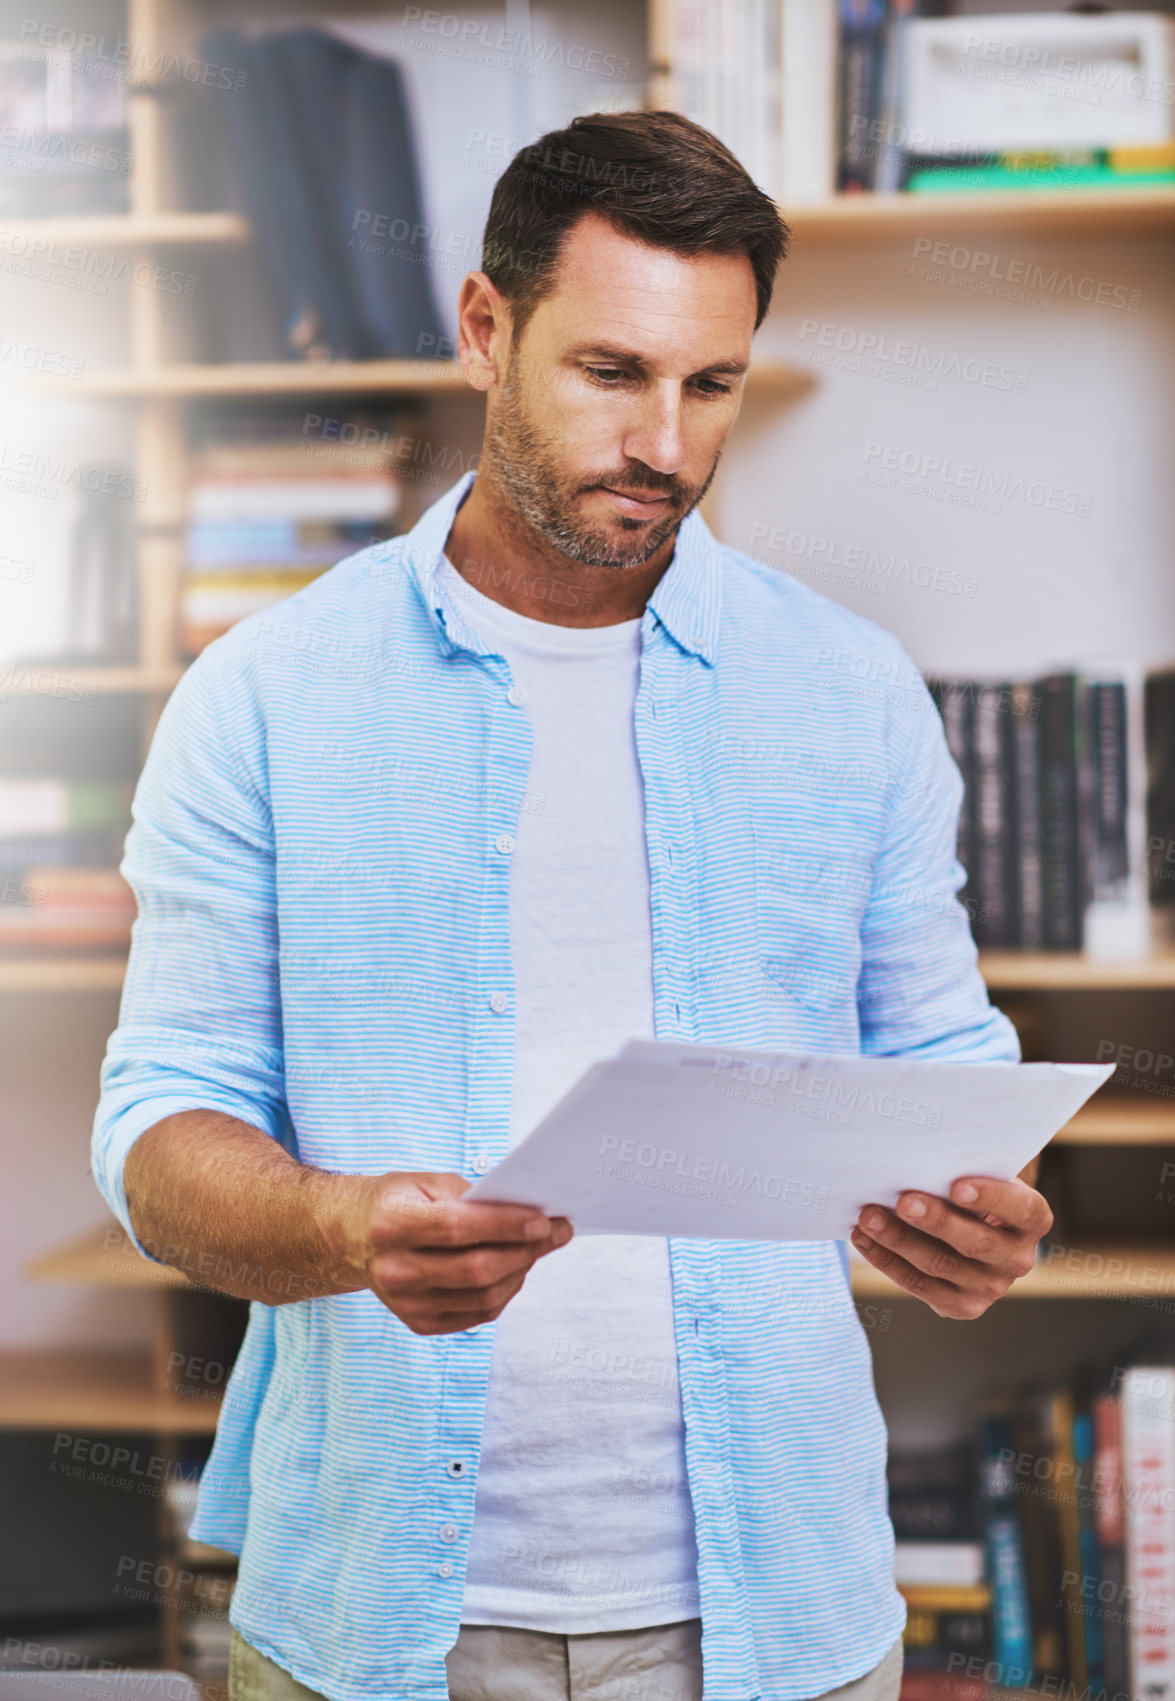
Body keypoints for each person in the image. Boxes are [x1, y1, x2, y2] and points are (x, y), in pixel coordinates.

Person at [92, 111, 1052, 1701]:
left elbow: (943, 1051)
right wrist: (344, 1227)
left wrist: (976, 1199)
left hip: (780, 1617)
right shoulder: (262, 695)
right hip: (370, 1615)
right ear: (487, 329)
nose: (667, 443)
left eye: (713, 383)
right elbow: (158, 1128)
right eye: (613, 373)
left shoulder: (853, 693)